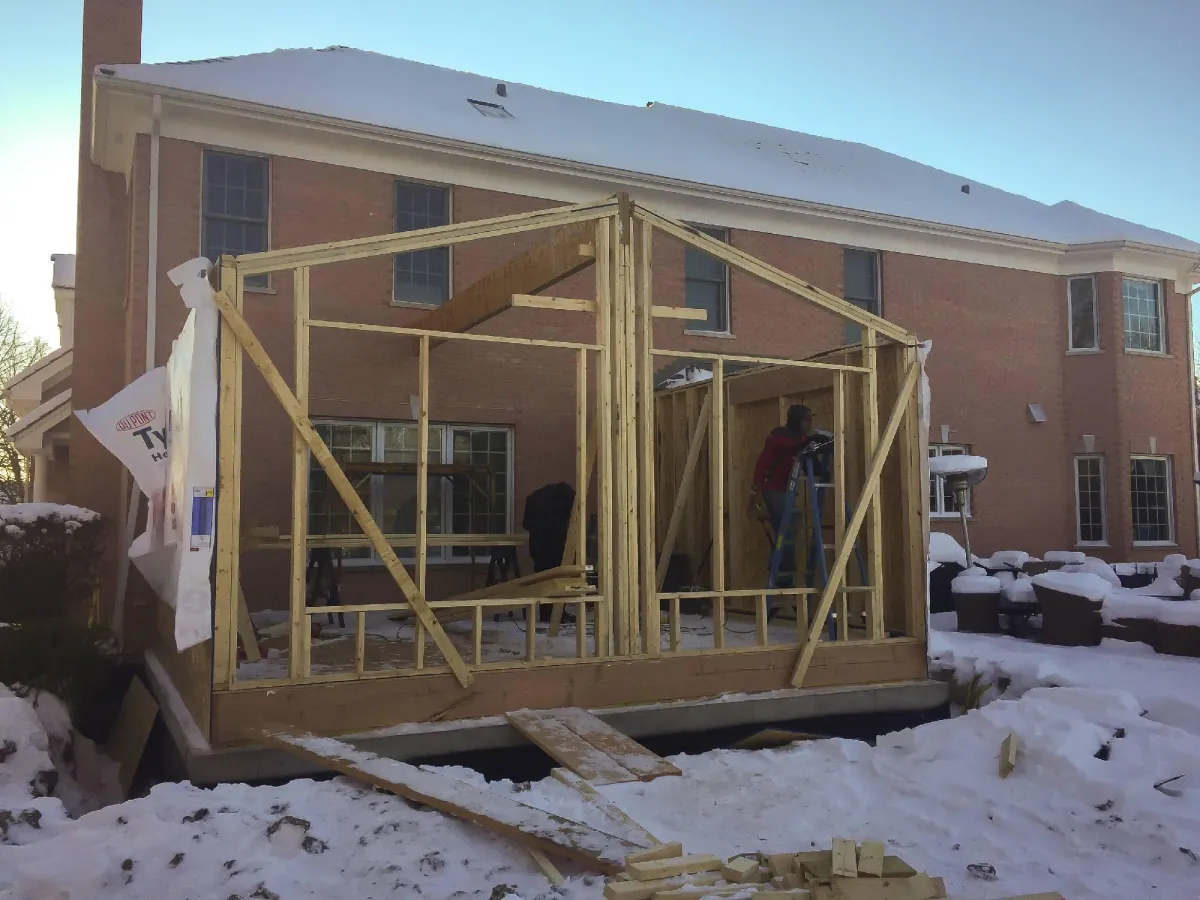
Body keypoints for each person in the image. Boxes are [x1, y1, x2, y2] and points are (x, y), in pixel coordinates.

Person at [750, 404, 826, 589]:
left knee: (788, 529)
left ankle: (782, 570)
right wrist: (812, 440)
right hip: (771, 488)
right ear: (796, 420)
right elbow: (789, 447)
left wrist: (823, 463)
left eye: (810, 420)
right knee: (787, 528)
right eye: (806, 420)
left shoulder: (800, 439)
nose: (809, 424)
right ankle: (782, 574)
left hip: (785, 489)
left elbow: (809, 458)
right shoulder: (779, 435)